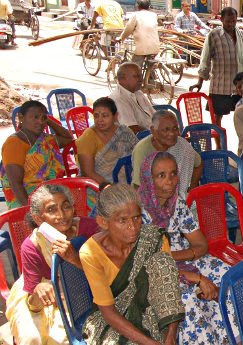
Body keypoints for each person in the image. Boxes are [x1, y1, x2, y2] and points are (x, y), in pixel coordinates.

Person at [138, 151, 235, 344]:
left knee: (228, 276)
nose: (170, 181)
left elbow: (201, 245)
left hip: (182, 259)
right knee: (189, 297)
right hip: (155, 274)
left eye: (173, 174)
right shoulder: (139, 214)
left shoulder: (177, 204)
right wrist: (192, 272)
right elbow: (148, 265)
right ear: (148, 179)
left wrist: (173, 255)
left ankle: (233, 337)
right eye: (161, 175)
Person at [80, 184, 184, 345]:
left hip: (152, 308)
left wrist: (171, 335)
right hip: (114, 318)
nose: (133, 226)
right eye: (123, 220)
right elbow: (108, 313)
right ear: (103, 222)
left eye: (137, 218)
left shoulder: (153, 239)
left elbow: (169, 287)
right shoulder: (90, 253)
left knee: (162, 261)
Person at [6, 185, 99, 344]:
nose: (61, 215)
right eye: (51, 210)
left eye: (66, 206)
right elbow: (33, 306)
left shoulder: (88, 229)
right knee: (32, 337)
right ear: (38, 219)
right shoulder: (33, 246)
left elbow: (104, 273)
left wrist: (74, 259)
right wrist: (38, 292)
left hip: (85, 288)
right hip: (47, 291)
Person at [0, 100, 73, 209]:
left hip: (49, 194)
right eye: (35, 117)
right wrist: (31, 212)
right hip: (25, 201)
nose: (40, 121)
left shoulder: (45, 140)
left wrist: (48, 121)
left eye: (43, 118)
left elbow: (67, 138)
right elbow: (16, 184)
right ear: (21, 117)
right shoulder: (14, 144)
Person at [192, 7, 243, 127]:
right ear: (221, 19)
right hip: (220, 86)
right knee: (217, 117)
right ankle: (219, 145)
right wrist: (200, 82)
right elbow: (205, 60)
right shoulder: (214, 35)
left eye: (233, 21)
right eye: (228, 21)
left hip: (240, 88)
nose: (231, 24)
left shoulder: (242, 36)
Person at [132, 110, 202, 197]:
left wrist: (192, 189)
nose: (172, 133)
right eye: (166, 129)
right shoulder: (143, 149)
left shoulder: (181, 144)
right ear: (153, 131)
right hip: (151, 200)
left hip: (180, 198)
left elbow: (198, 164)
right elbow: (138, 186)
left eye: (175, 128)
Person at [76, 97, 138, 185]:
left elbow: (138, 152)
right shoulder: (87, 138)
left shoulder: (123, 132)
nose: (100, 120)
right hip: (97, 186)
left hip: (128, 181)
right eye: (96, 116)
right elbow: (88, 173)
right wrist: (110, 187)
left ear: (115, 116)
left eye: (105, 115)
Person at [109, 62, 155, 134]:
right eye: (136, 76)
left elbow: (154, 115)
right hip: (140, 140)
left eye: (141, 76)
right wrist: (158, 134)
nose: (141, 79)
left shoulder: (138, 92)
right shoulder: (119, 98)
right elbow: (132, 129)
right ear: (122, 79)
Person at [116, 0, 160, 67]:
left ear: (138, 6)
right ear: (148, 7)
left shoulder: (136, 15)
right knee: (150, 63)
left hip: (142, 47)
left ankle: (137, 76)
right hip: (155, 46)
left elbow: (128, 29)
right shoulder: (153, 15)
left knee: (135, 67)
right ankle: (151, 76)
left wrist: (121, 37)